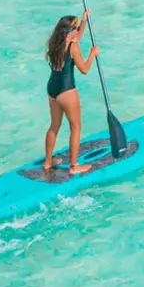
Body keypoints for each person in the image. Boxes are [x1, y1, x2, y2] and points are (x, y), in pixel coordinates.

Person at [43, 12, 99, 175]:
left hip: (52, 90)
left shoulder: (54, 44)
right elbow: (84, 70)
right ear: (70, 32)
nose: (78, 30)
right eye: (76, 28)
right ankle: (74, 167)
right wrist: (92, 55)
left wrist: (83, 21)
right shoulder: (73, 47)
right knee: (75, 127)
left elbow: (76, 37)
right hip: (67, 92)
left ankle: (48, 162)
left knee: (54, 126)